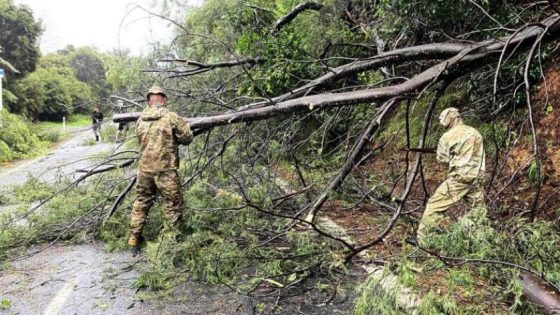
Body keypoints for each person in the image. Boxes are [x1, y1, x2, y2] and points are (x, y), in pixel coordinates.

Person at [128, 86, 193, 255]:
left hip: (144, 170)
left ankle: (134, 237)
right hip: (165, 170)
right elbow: (187, 138)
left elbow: (139, 140)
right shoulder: (171, 117)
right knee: (173, 203)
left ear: (149, 101)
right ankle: (170, 242)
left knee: (141, 202)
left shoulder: (140, 119)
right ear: (164, 100)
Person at [416, 107, 488, 243]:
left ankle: (424, 240)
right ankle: (480, 241)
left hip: (459, 178)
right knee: (477, 211)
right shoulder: (475, 132)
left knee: (434, 206)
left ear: (452, 116)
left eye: (442, 116)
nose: (440, 120)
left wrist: (452, 156)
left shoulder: (447, 136)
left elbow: (442, 159)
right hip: (477, 177)